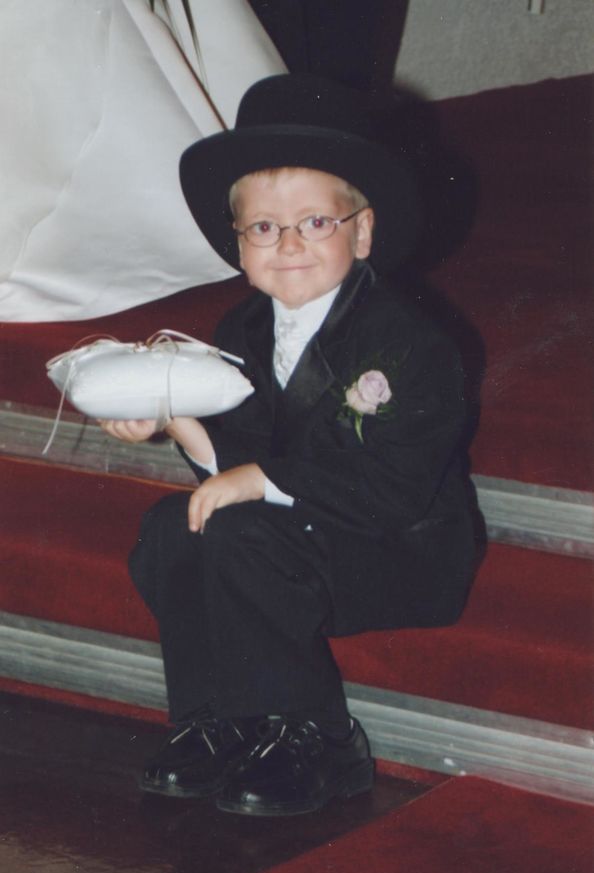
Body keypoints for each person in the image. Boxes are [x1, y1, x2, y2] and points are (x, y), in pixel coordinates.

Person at [100, 73, 477, 817]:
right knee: (171, 528)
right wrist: (176, 418)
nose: (290, 244)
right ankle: (219, 719)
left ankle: (320, 736)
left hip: (393, 546)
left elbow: (391, 489)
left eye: (315, 222)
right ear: (239, 243)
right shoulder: (241, 331)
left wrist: (259, 480)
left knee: (244, 535)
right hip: (299, 535)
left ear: (362, 233)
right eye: (265, 228)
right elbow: (235, 465)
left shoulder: (407, 340)